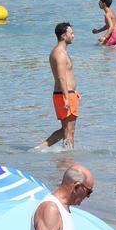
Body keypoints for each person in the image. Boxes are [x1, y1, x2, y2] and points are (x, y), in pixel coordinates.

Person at [36, 23, 78, 151]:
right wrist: (66, 97)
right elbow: (61, 77)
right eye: (71, 33)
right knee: (68, 130)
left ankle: (41, 149)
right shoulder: (59, 53)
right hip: (64, 94)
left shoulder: (61, 52)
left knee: (68, 129)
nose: (73, 35)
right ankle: (67, 158)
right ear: (64, 36)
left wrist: (73, 92)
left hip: (69, 93)